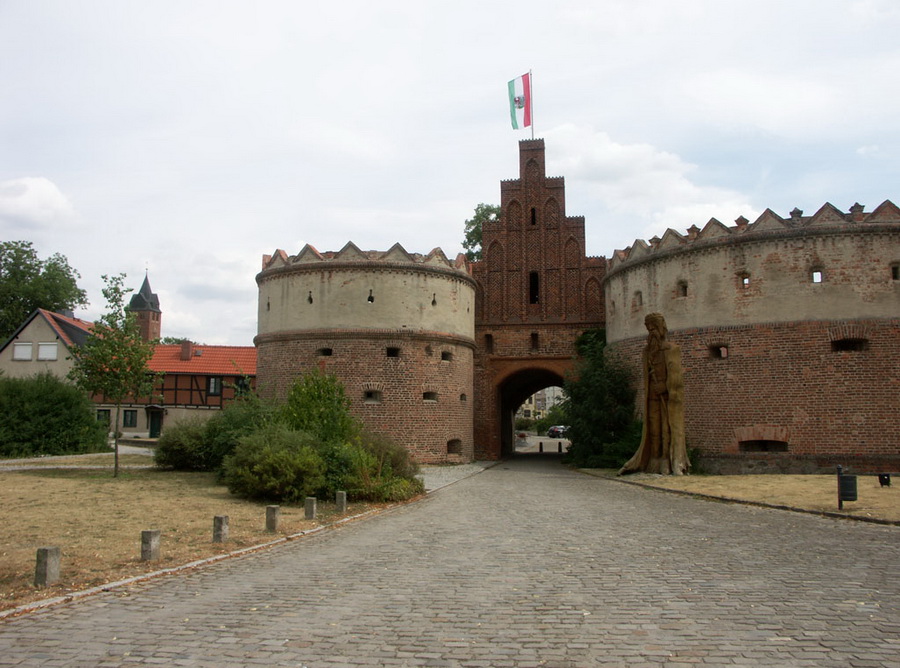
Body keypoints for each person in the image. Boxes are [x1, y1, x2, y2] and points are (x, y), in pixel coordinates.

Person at [619, 312, 689, 476]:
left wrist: (665, 386)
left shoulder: (672, 350)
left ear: (661, 328)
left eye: (654, 329)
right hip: (652, 397)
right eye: (648, 329)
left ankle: (667, 460)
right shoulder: (647, 352)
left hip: (666, 397)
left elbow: (676, 377)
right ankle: (654, 459)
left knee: (666, 428)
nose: (651, 333)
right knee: (654, 429)